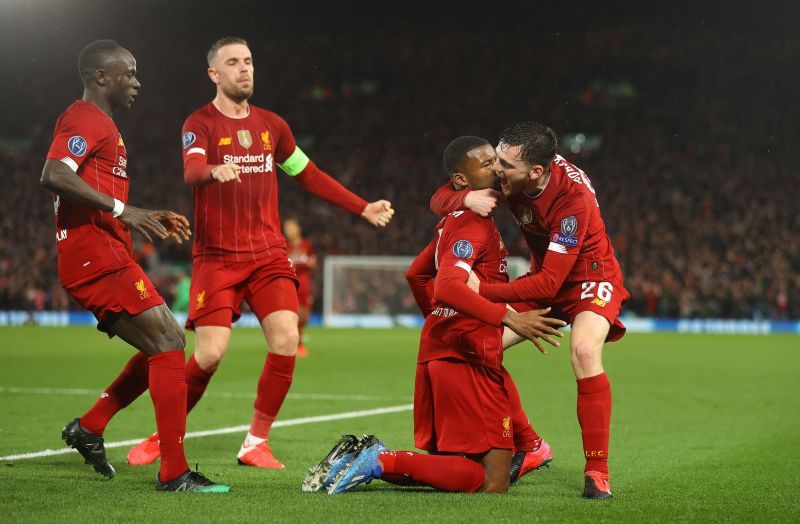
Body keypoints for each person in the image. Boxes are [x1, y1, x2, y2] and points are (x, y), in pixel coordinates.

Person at [127, 36, 394, 468]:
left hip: (268, 254)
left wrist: (361, 207)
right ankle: (164, 435)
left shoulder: (273, 126)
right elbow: (192, 170)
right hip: (216, 256)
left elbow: (308, 175)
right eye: (233, 63)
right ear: (214, 74)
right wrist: (215, 169)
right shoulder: (200, 123)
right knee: (210, 354)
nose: (244, 69)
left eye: (248, 61)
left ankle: (255, 442)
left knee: (287, 339)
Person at [309, 136, 565, 494]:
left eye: (497, 160)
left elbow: (417, 274)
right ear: (462, 180)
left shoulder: (453, 219)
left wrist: (440, 319)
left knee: (466, 467)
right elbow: (445, 287)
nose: (497, 167)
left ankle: (381, 461)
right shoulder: (473, 225)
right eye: (487, 163)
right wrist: (506, 317)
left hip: (442, 350)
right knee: (492, 481)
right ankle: (380, 460)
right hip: (467, 356)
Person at [40, 39, 229, 492]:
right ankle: (174, 472)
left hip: (107, 251)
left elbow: (90, 187)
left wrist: (137, 213)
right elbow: (54, 174)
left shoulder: (103, 125)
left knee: (168, 339)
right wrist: (127, 212)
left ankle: (91, 425)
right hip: (94, 255)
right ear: (102, 77)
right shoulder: (84, 118)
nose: (137, 82)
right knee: (167, 344)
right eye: (129, 73)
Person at [430, 122, 629, 499]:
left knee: (585, 351)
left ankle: (597, 472)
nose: (496, 170)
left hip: (589, 278)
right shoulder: (515, 177)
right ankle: (531, 445)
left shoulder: (573, 201)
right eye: (496, 160)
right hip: (544, 275)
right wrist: (465, 200)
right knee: (478, 347)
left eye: (504, 163)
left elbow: (551, 286)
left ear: (537, 171)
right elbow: (438, 198)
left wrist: (482, 290)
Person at [283, 218, 317, 358]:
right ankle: (294, 343)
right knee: (291, 315)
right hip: (289, 283)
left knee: (304, 315)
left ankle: (298, 341)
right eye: (286, 228)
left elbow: (313, 263)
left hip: (304, 283)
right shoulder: (284, 245)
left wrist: (308, 263)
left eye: (291, 227)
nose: (288, 231)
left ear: (298, 229)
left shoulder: (306, 245)